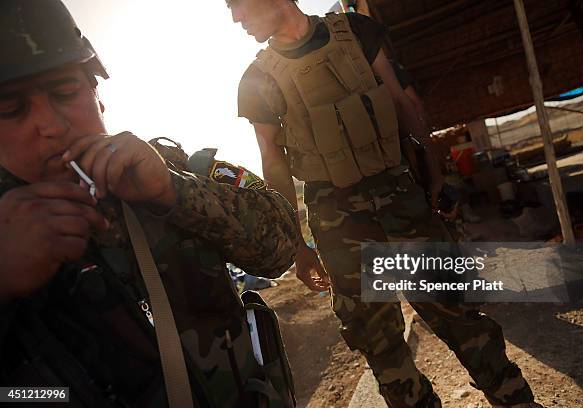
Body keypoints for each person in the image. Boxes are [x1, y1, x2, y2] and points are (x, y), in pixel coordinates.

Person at [229, 0, 543, 407]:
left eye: (239, 6)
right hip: (338, 223)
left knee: (456, 312)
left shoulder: (356, 32)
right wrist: (298, 245)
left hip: (401, 198)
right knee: (377, 340)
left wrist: (434, 172)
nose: (237, 20)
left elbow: (401, 101)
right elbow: (274, 163)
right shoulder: (257, 79)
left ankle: (516, 400)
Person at [0, 0, 298, 406]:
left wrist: (175, 192)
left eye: (65, 92)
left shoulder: (169, 168)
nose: (51, 126)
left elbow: (282, 245)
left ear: (97, 94)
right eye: (11, 109)